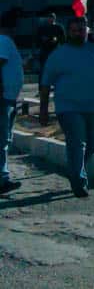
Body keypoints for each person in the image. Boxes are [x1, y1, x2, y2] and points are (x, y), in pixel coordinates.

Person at [39, 17, 94, 198]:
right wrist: (43, 110)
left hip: (93, 106)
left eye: (81, 30)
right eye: (74, 30)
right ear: (68, 32)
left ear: (87, 31)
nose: (78, 33)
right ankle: (78, 180)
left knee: (92, 144)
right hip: (68, 108)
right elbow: (45, 84)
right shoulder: (58, 55)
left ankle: (75, 169)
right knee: (77, 142)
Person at [1, 13, 24, 194]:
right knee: (2, 139)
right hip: (3, 98)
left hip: (9, 97)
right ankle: (2, 178)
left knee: (5, 138)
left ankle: (3, 176)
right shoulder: (3, 40)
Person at [36, 12, 65, 79]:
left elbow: (63, 39)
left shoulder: (58, 27)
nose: (50, 19)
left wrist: (57, 39)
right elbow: (37, 39)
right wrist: (43, 39)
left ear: (55, 18)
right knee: (44, 68)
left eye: (52, 17)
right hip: (45, 50)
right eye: (49, 17)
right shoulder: (42, 28)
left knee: (57, 68)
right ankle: (43, 85)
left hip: (55, 50)